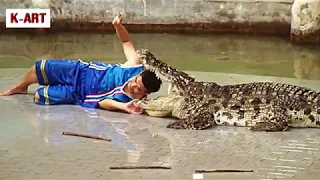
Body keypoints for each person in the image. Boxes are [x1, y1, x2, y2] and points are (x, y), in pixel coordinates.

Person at [0, 13, 162, 114]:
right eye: (136, 81)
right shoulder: (134, 66)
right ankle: (21, 87)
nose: (133, 85)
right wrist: (117, 26)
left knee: (39, 96)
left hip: (78, 94)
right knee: (40, 67)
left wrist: (124, 107)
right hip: (81, 71)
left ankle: (47, 88)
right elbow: (126, 41)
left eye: (138, 89)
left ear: (144, 93)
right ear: (139, 75)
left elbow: (102, 102)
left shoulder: (129, 101)